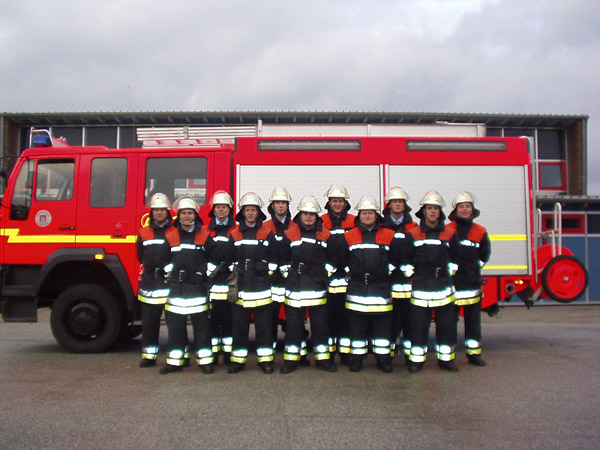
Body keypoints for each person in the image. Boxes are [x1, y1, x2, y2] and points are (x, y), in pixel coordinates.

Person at [401, 190, 460, 373]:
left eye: (435, 208)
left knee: (447, 326)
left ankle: (446, 360)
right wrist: (411, 275)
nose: (433, 211)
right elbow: (405, 258)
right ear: (423, 212)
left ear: (440, 211)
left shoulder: (449, 233)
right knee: (418, 327)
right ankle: (416, 361)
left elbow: (457, 256)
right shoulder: (413, 234)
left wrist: (451, 270)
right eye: (429, 208)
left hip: (443, 287)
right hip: (421, 287)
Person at [278, 196, 337, 374]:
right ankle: (291, 360)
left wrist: (325, 274)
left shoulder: (326, 235)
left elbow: (333, 259)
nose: (309, 217)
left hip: (318, 288)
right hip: (295, 288)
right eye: (305, 213)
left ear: (317, 215)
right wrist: (289, 274)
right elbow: (282, 259)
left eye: (312, 214)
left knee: (320, 327)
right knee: (293, 327)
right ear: (300, 214)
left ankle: (323, 360)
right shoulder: (290, 234)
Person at [338, 196, 395, 373]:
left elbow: (396, 259)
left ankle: (383, 359)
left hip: (380, 288)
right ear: (359, 216)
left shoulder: (388, 235)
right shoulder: (349, 236)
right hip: (357, 287)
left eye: (370, 213)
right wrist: (353, 273)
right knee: (356, 327)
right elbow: (342, 259)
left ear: (376, 215)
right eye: (364, 213)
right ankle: (356, 359)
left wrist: (385, 272)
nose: (367, 216)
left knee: (382, 328)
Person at [159, 197, 214, 374]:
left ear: (195, 215)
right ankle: (175, 362)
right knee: (175, 329)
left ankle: (205, 362)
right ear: (179, 215)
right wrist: (171, 272)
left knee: (202, 329)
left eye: (190, 213)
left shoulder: (204, 236)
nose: (187, 216)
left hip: (197, 288)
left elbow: (214, 259)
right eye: (184, 213)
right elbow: (163, 259)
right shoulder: (171, 236)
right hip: (176, 289)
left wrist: (203, 274)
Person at [228, 192, 277, 374]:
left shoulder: (267, 233)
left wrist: (266, 273)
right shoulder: (235, 234)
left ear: (258, 212)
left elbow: (275, 258)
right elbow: (230, 259)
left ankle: (265, 361)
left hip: (262, 289)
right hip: (242, 288)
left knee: (264, 328)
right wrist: (234, 281)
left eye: (253, 210)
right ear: (243, 212)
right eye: (247, 210)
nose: (250, 213)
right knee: (239, 328)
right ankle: (238, 361)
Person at [447, 192, 491, 366]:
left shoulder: (480, 231)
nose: (465, 209)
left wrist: (474, 267)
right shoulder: (447, 229)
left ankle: (474, 355)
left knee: (473, 322)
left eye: (467, 206)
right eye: (461, 206)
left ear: (472, 210)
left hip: (471, 283)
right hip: (452, 283)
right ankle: (448, 357)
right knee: (449, 323)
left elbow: (485, 253)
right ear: (455, 210)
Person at [136, 193, 173, 368]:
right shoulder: (143, 233)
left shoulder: (174, 232)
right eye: (156, 210)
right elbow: (140, 256)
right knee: (149, 323)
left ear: (168, 212)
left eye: (162, 210)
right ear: (151, 212)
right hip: (150, 283)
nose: (159, 213)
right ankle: (149, 356)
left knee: (174, 325)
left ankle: (177, 358)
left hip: (169, 283)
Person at [381, 186, 417, 364]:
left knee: (410, 320)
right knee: (388, 321)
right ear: (389, 205)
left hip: (409, 282)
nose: (397, 204)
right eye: (394, 201)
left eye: (400, 202)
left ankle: (411, 356)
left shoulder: (414, 227)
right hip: (388, 281)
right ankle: (388, 355)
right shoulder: (381, 227)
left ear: (405, 205)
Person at [321, 184, 356, 363]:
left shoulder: (354, 221)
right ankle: (328, 353)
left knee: (346, 318)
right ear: (329, 202)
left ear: (345, 203)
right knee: (327, 319)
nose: (337, 204)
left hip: (348, 279)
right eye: (334, 201)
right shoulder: (321, 221)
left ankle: (345, 353)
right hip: (326, 280)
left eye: (340, 201)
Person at [262, 187, 299, 357]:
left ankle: (295, 353)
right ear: (272, 206)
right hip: (270, 281)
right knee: (269, 319)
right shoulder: (265, 227)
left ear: (287, 205)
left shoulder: (295, 226)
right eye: (278, 203)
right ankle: (269, 352)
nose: (281, 206)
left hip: (291, 279)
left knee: (294, 319)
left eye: (283, 203)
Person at [204, 190, 236, 365]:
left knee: (229, 320)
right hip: (212, 283)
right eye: (218, 207)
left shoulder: (236, 229)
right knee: (212, 321)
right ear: (213, 209)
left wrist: (234, 266)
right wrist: (207, 267)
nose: (221, 210)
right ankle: (214, 353)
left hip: (230, 282)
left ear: (229, 209)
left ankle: (229, 354)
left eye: (224, 207)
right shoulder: (205, 230)